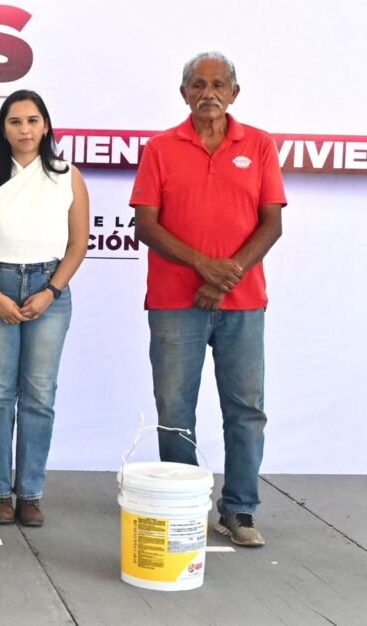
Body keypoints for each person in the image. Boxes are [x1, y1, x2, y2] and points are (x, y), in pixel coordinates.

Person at [130, 52, 285, 547]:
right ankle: (184, 507)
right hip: (175, 303)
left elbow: (272, 224)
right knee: (175, 410)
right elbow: (145, 225)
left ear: (234, 93)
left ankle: (239, 510)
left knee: (246, 410)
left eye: (218, 84)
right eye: (198, 85)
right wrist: (204, 265)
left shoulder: (259, 145)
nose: (208, 93)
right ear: (184, 94)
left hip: (244, 303)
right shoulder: (160, 148)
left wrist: (224, 278)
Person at [0, 90, 89, 526]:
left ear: (46, 126)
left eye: (33, 121)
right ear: (3, 129)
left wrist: (51, 291)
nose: (25, 130)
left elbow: (78, 243)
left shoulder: (68, 176)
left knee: (39, 396)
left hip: (48, 289)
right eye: (15, 122)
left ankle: (30, 494)